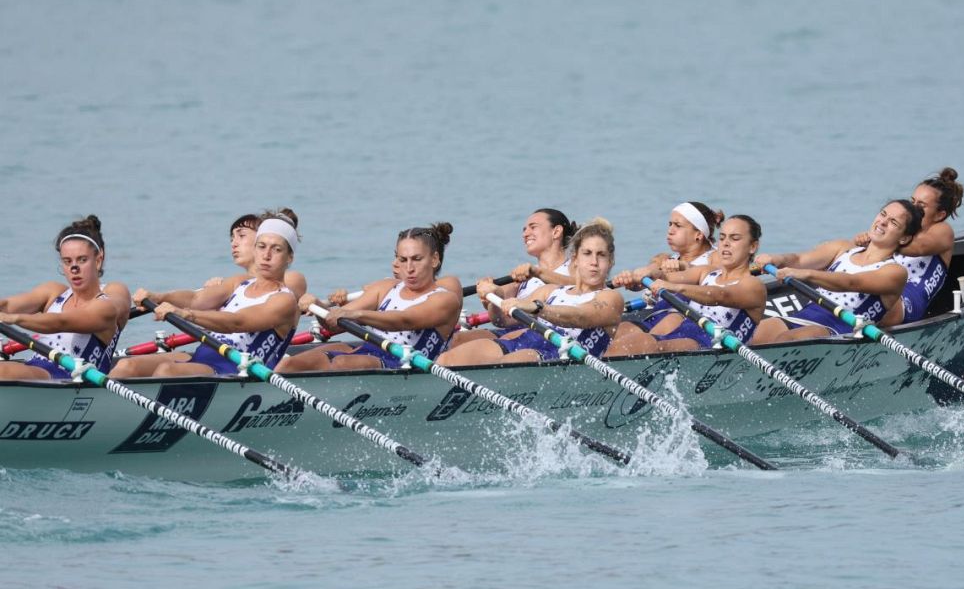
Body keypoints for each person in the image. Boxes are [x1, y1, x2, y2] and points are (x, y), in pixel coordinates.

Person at [109, 211, 308, 377]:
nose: (266, 255)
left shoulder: (284, 299)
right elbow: (196, 299)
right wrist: (159, 297)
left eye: (276, 250)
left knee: (167, 371)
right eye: (262, 247)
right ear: (255, 249)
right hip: (205, 355)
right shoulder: (238, 282)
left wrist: (184, 314)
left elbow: (236, 322)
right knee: (127, 366)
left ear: (289, 257)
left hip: (235, 369)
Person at [277, 222, 461, 373]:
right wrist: (318, 307)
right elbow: (333, 324)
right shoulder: (385, 287)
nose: (409, 268)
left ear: (434, 259)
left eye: (417, 259)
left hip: (405, 364)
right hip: (369, 352)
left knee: (342, 363)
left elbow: (404, 320)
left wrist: (356, 314)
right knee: (290, 364)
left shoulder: (445, 299)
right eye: (403, 260)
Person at [441, 219, 624, 365]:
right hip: (524, 342)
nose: (594, 262)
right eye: (587, 253)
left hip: (560, 357)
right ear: (575, 259)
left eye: (601, 255)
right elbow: (501, 321)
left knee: (518, 359)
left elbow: (580, 316)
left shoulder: (611, 297)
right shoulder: (550, 291)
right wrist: (496, 298)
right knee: (448, 359)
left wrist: (536, 307)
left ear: (611, 262)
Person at [751, 199, 923, 343]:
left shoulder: (895, 272)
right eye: (883, 214)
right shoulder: (842, 247)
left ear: (904, 238)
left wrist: (806, 274)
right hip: (804, 315)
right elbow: (799, 259)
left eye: (893, 222)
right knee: (752, 335)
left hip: (839, 330)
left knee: (786, 339)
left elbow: (852, 282)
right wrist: (776, 259)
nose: (883, 222)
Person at [607, 215, 766, 355]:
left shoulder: (754, 285)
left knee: (647, 343)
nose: (725, 244)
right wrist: (645, 274)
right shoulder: (707, 272)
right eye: (722, 238)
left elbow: (720, 295)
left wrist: (676, 288)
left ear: (753, 247)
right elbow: (666, 277)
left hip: (711, 344)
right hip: (681, 331)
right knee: (632, 336)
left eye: (735, 238)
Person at [0, 215, 125, 380]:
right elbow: (7, 305)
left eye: (82, 260)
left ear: (98, 260)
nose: (74, 268)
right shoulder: (54, 292)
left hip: (71, 376)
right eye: (67, 261)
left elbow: (61, 322)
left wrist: (14, 319)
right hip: (36, 369)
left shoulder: (107, 301)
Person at [853, 168, 964, 325]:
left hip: (909, 300)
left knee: (866, 295)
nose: (913, 208)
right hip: (886, 285)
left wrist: (876, 239)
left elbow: (917, 248)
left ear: (939, 215)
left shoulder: (943, 231)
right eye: (912, 202)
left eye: (921, 205)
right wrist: (861, 241)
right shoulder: (899, 231)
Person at [612, 201, 723, 335]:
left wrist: (684, 266)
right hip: (653, 314)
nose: (670, 230)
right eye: (670, 224)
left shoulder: (715, 257)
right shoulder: (664, 258)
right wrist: (631, 281)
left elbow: (716, 274)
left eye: (678, 225)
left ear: (698, 234)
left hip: (686, 321)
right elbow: (647, 275)